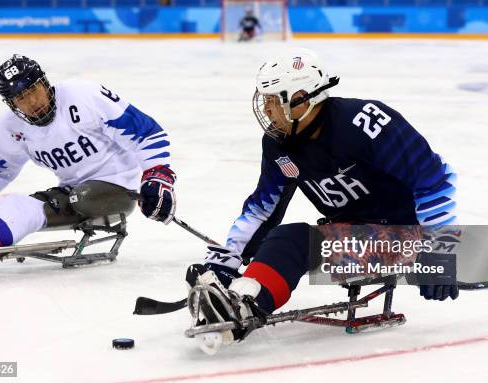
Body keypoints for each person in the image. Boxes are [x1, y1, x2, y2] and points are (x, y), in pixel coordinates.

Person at [188, 48, 458, 346]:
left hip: (407, 239)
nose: (266, 110)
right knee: (285, 240)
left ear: (302, 98)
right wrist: (225, 261)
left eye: (273, 101)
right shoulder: (280, 145)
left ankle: (246, 304)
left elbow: (433, 181)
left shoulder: (365, 122)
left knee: (292, 239)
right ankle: (243, 300)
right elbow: (263, 208)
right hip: (354, 237)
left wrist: (439, 254)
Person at [0, 54, 176, 272]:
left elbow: (147, 132)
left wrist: (157, 176)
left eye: (33, 90)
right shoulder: (10, 128)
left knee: (83, 196)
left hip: (118, 187)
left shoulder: (83, 95)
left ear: (45, 83)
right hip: (71, 193)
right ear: (11, 104)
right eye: (21, 98)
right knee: (19, 205)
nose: (32, 102)